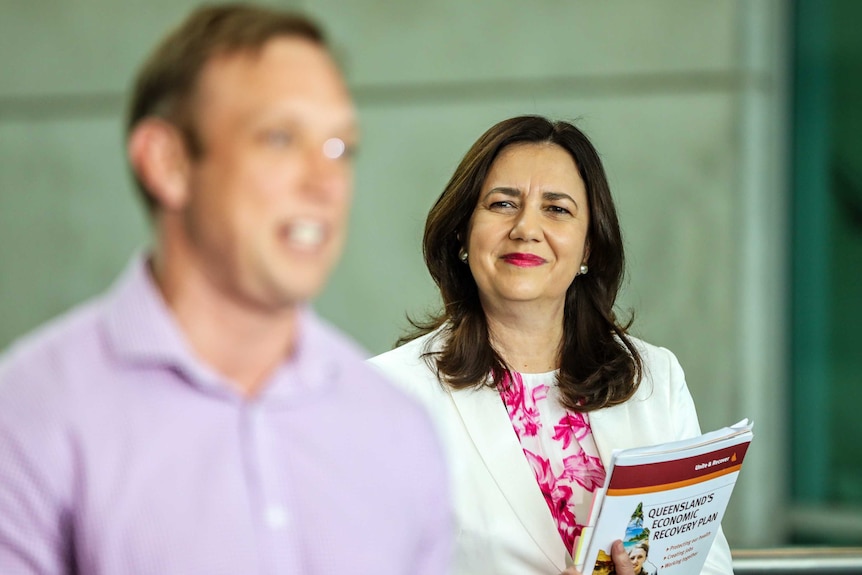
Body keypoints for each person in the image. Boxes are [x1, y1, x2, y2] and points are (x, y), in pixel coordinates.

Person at [0, 4, 452, 574]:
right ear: (167, 162)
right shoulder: (28, 411)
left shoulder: (399, 430)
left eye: (340, 146)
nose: (325, 182)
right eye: (281, 137)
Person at [368, 115, 734, 575]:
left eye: (557, 209)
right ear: (463, 232)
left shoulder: (655, 378)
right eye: (503, 204)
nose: (526, 228)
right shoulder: (384, 395)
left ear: (588, 248)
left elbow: (707, 564)